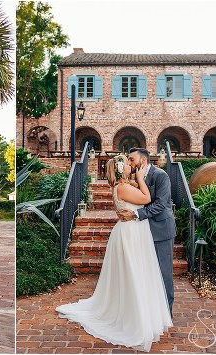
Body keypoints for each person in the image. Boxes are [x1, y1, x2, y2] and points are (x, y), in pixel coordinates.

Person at [56, 154, 172, 352]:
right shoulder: (124, 187)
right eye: (127, 164)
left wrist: (137, 180)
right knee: (133, 274)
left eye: (130, 161)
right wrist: (141, 179)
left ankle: (141, 312)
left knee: (136, 273)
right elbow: (147, 199)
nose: (130, 165)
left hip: (133, 231)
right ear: (120, 170)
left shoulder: (124, 185)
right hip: (131, 233)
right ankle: (133, 316)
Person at [119, 147, 177, 316]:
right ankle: (150, 312)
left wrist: (136, 214)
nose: (129, 162)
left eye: (131, 159)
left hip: (161, 230)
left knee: (163, 273)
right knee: (147, 272)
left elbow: (161, 204)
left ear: (142, 160)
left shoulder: (160, 176)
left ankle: (167, 313)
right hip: (142, 233)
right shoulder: (132, 178)